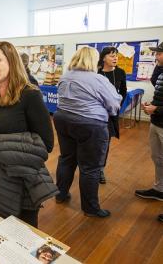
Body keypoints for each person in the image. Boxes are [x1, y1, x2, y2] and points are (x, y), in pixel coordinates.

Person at [0, 41, 57, 228]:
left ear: (11, 61)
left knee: (22, 234)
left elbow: (46, 144)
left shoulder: (29, 95)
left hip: (19, 178)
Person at [54, 46, 122, 218]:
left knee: (66, 159)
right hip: (90, 125)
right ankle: (90, 208)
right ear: (94, 60)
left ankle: (60, 194)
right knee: (90, 167)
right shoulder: (98, 80)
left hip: (63, 121)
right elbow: (114, 106)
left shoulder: (65, 77)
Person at [135, 42, 163, 223]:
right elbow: (154, 81)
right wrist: (152, 109)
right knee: (158, 158)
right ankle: (159, 189)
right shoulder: (160, 72)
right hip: (156, 122)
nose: (156, 57)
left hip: (161, 118)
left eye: (159, 53)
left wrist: (157, 109)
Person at [97, 46, 127, 184]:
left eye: (116, 55)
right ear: (103, 58)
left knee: (105, 142)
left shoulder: (120, 72)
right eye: (111, 55)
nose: (115, 58)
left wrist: (117, 104)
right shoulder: (96, 73)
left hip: (111, 114)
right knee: (94, 141)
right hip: (96, 113)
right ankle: (91, 167)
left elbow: (123, 91)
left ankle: (100, 170)